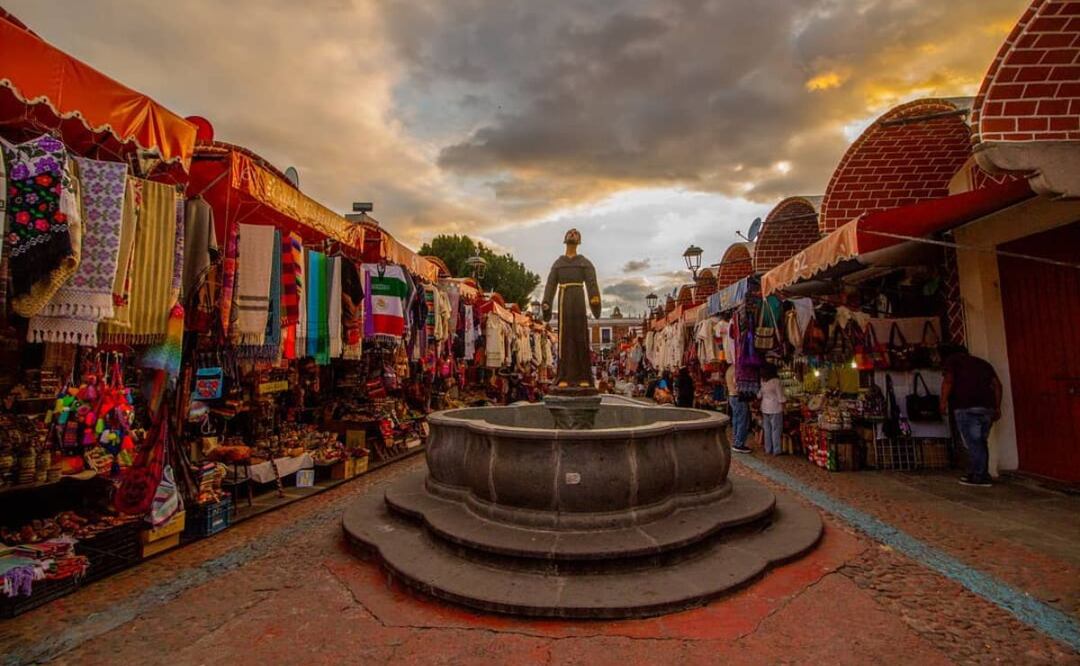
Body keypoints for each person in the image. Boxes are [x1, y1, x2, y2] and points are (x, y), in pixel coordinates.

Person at [940, 345, 1002, 487]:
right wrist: (997, 407)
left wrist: (943, 401)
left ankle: (980, 476)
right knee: (980, 442)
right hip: (987, 407)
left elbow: (948, 381)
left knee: (973, 443)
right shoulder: (983, 363)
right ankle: (978, 472)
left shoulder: (952, 361)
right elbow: (997, 385)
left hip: (966, 407)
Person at [758, 363, 785, 456]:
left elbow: (759, 395)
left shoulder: (763, 381)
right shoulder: (776, 381)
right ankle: (776, 450)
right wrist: (785, 407)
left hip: (765, 407)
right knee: (776, 429)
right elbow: (781, 397)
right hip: (775, 408)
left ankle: (768, 448)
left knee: (767, 429)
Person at [727, 364, 751, 453]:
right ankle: (739, 443)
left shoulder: (729, 369)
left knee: (736, 419)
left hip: (731, 396)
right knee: (742, 420)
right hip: (738, 397)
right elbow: (737, 384)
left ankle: (736, 440)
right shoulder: (737, 369)